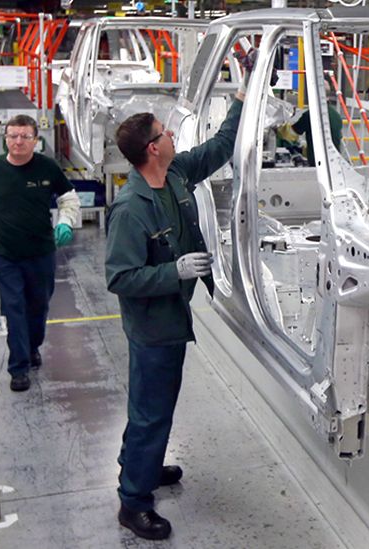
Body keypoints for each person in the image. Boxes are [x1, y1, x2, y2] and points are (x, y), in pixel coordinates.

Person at [105, 84, 245, 540]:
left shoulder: (177, 173)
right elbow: (120, 278)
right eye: (166, 134)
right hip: (154, 327)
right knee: (152, 411)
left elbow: (219, 149)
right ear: (152, 148)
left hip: (171, 316)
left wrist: (241, 101)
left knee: (150, 407)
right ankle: (134, 502)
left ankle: (140, 465)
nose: (174, 139)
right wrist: (174, 271)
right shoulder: (130, 209)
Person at [0, 114, 80, 392]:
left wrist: (66, 222)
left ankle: (32, 347)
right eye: (13, 136)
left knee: (39, 307)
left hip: (41, 252)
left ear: (36, 140)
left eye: (25, 136)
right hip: (5, 254)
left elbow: (68, 197)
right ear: (5, 138)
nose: (18, 141)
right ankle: (18, 368)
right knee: (14, 309)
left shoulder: (47, 168)